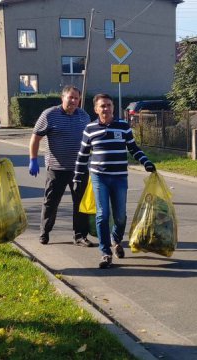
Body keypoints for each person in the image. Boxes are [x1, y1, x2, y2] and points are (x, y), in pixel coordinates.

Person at [73, 94, 156, 269]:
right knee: (102, 215)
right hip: (99, 177)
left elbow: (133, 148)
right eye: (102, 106)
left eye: (109, 105)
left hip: (119, 177)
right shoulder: (90, 129)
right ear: (96, 109)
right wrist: (77, 176)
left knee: (120, 216)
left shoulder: (123, 127)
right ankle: (105, 253)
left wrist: (146, 162)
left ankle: (115, 240)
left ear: (113, 107)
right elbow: (83, 155)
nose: (106, 109)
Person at [28, 85, 93, 247]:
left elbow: (91, 140)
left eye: (76, 98)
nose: (73, 101)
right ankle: (44, 232)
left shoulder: (84, 116)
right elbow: (35, 138)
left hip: (79, 169)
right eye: (70, 97)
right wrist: (33, 159)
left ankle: (80, 235)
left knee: (80, 203)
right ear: (62, 98)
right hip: (56, 168)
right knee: (51, 202)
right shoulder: (50, 114)